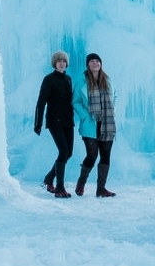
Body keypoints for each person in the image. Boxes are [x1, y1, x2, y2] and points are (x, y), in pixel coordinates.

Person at [72, 52, 116, 197]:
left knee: (105, 156)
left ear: (101, 63)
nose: (95, 63)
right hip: (90, 124)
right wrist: (85, 115)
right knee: (92, 155)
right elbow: (75, 101)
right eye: (92, 61)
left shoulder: (107, 79)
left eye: (97, 61)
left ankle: (101, 188)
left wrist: (112, 109)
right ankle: (81, 182)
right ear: (88, 65)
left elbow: (115, 95)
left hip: (106, 123)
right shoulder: (82, 81)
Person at [34, 50, 75, 198]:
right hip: (54, 121)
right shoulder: (49, 79)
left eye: (64, 61)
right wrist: (38, 122)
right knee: (63, 151)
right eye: (59, 61)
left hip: (68, 121)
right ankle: (60, 188)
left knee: (69, 152)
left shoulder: (68, 79)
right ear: (54, 63)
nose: (62, 63)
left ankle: (49, 179)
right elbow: (41, 101)